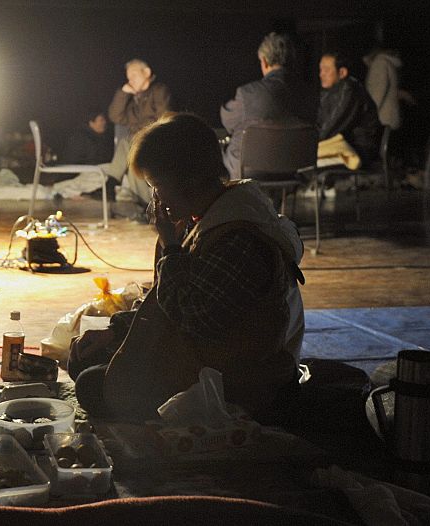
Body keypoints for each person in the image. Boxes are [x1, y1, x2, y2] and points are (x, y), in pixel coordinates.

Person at [67, 113, 305, 422]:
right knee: (86, 359)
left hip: (239, 377)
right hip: (200, 352)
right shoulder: (205, 216)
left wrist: (171, 250)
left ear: (188, 178)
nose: (156, 200)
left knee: (92, 384)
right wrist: (115, 332)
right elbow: (167, 306)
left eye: (158, 186)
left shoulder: (238, 237)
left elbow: (192, 318)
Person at [220, 32, 318, 179]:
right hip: (294, 173)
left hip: (249, 173)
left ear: (264, 62)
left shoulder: (247, 94)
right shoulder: (309, 94)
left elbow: (228, 122)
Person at [106, 59, 172, 214]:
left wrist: (141, 134)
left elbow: (164, 118)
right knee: (132, 160)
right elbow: (115, 116)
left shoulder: (159, 91)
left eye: (134, 75)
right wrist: (122, 93)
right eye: (128, 77)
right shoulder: (133, 100)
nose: (130, 80)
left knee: (128, 146)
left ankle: (111, 182)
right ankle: (149, 207)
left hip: (157, 141)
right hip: (138, 146)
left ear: (147, 73)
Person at [318, 51, 382, 163]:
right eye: (321, 69)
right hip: (343, 145)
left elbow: (332, 126)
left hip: (360, 149)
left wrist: (307, 143)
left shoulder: (350, 90)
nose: (321, 74)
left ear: (342, 72)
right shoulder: (330, 91)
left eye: (327, 70)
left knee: (305, 160)